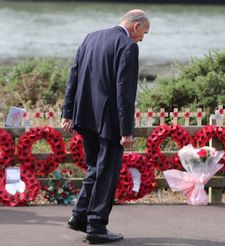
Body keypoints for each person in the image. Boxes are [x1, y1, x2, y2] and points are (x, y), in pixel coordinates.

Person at [61, 9, 150, 244]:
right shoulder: (128, 46)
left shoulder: (91, 37)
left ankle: (79, 216)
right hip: (109, 120)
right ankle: (97, 227)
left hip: (85, 114)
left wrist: (67, 112)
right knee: (107, 173)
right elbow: (125, 92)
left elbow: (74, 75)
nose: (143, 38)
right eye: (144, 33)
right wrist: (126, 131)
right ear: (136, 26)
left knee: (94, 167)